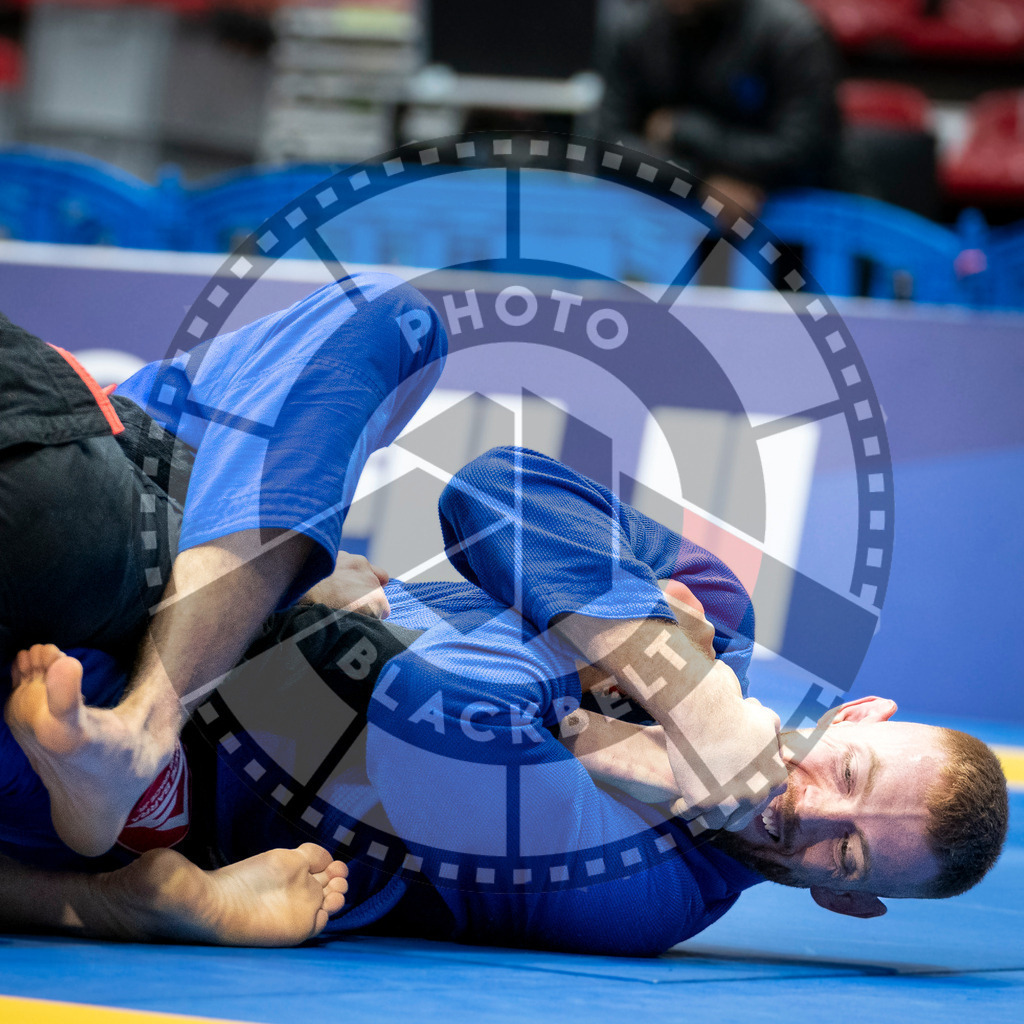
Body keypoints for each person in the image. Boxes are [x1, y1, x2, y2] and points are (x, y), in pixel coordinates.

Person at [0, 447, 1009, 954]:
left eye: (847, 851)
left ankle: (106, 889)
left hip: (221, 768)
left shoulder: (645, 896)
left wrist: (614, 702)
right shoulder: (713, 619)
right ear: (857, 715)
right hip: (222, 600)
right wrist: (672, 684)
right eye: (849, 774)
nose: (811, 810)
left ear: (843, 898)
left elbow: (433, 712)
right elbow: (494, 488)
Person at [596, 0, 842, 222]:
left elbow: (804, 152)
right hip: (670, 226)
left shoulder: (793, 33)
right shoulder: (636, 29)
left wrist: (688, 132)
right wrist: (698, 180)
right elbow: (609, 143)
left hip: (793, 233)